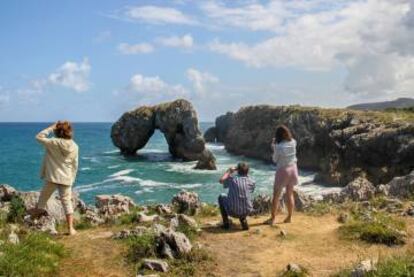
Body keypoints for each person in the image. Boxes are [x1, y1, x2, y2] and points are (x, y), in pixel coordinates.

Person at [33, 121, 79, 235]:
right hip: (66, 177)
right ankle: (70, 229)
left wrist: (50, 128)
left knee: (42, 200)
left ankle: (34, 221)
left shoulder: (53, 142)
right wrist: (72, 178)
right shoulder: (75, 146)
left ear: (57, 131)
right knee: (67, 203)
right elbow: (75, 165)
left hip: (52, 177)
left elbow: (38, 137)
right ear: (69, 131)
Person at [265, 125, 298, 225]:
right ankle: (289, 217)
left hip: (283, 171)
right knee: (289, 193)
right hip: (293, 169)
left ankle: (273, 218)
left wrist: (273, 147)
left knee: (276, 195)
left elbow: (275, 160)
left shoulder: (278, 147)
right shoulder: (293, 142)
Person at [218, 162, 256, 230]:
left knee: (221, 196)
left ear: (237, 170)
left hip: (233, 212)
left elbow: (221, 181)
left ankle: (226, 223)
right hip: (247, 211)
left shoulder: (232, 179)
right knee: (243, 197)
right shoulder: (252, 182)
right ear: (248, 171)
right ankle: (243, 221)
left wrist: (229, 171)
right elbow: (250, 191)